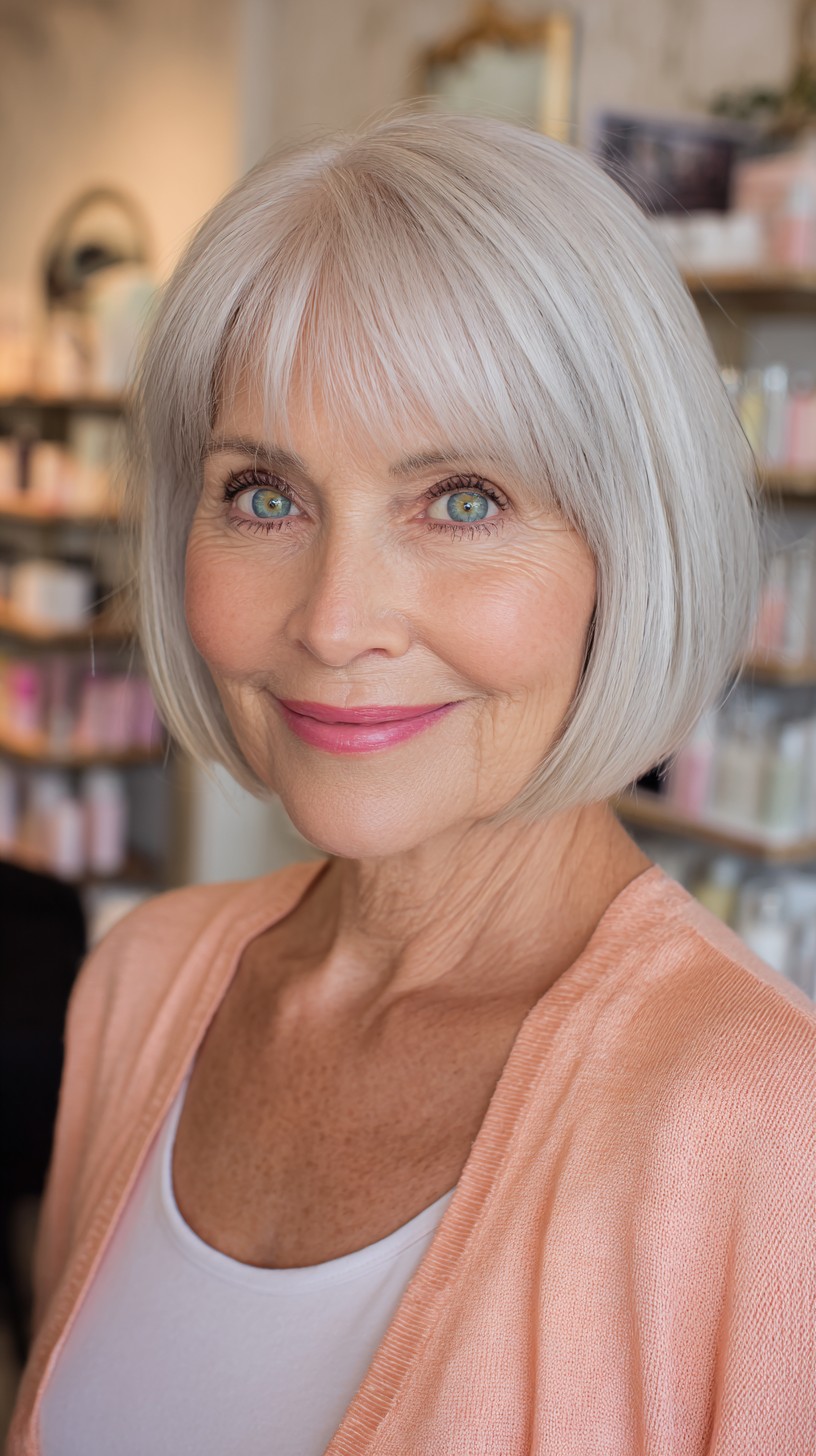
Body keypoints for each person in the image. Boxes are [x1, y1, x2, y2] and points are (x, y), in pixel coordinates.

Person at [9, 108, 815, 1456]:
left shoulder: (769, 1133)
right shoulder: (141, 983)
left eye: (462, 500)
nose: (336, 622)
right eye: (265, 495)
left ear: (631, 550)